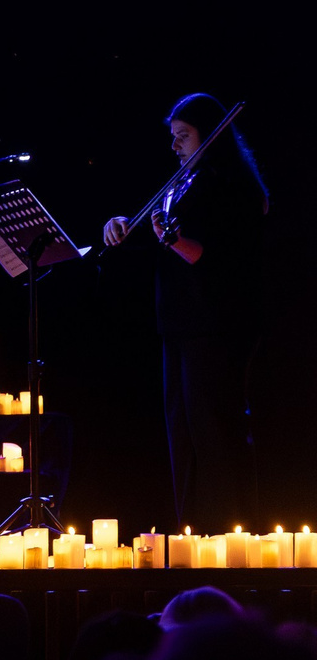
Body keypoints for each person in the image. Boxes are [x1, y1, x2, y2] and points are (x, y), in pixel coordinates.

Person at [104, 94, 268, 529]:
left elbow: (218, 258)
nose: (175, 146)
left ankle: (231, 530)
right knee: (183, 430)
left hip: (217, 322)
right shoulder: (182, 184)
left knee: (215, 427)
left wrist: (172, 239)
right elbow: (162, 243)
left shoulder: (232, 186)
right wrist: (122, 226)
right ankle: (192, 530)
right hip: (178, 322)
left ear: (209, 137)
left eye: (183, 137)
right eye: (172, 137)